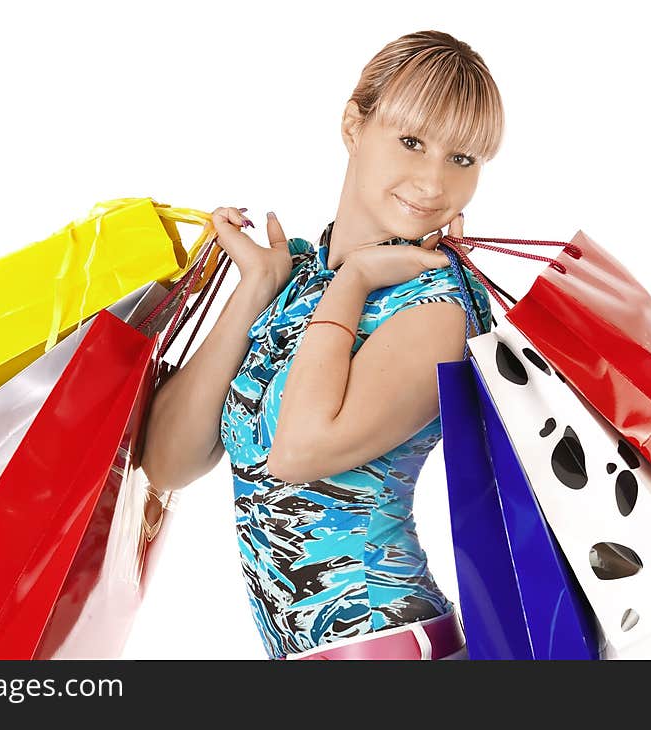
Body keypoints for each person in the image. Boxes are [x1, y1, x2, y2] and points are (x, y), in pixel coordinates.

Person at [141, 29, 503, 660]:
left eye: (462, 159)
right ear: (352, 125)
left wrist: (359, 277)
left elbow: (300, 451)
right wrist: (255, 291)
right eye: (412, 142)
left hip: (383, 646)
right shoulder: (303, 280)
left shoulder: (436, 307)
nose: (432, 180)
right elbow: (167, 465)